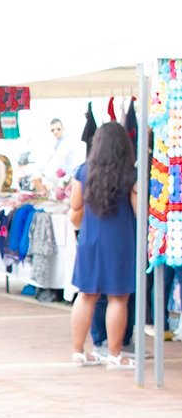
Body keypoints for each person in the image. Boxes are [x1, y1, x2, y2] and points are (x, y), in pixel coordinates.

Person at [69, 121, 138, 369]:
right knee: (118, 298)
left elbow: (75, 209)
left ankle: (78, 351)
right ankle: (114, 355)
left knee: (86, 295)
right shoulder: (131, 174)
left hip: (89, 240)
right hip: (120, 241)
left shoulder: (83, 171)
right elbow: (140, 212)